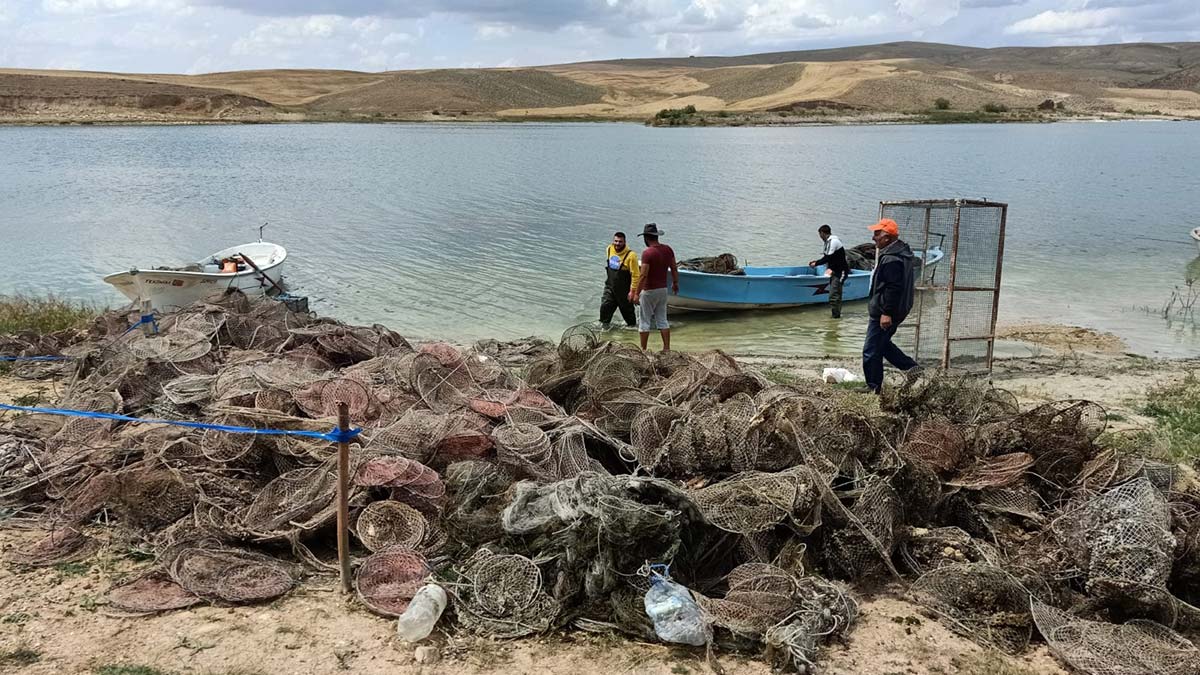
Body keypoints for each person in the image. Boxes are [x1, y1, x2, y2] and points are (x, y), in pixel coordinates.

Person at [862, 218, 919, 393]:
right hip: (896, 308)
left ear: (887, 237)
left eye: (877, 234)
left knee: (870, 351)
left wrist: (886, 313)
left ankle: (874, 388)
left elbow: (893, 287)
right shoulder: (902, 252)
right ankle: (912, 369)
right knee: (882, 344)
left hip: (886, 311)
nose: (873, 238)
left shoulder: (892, 258)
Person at [630, 223, 678, 351]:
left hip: (649, 291)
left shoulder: (647, 253)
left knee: (644, 322)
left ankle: (643, 350)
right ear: (656, 236)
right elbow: (674, 267)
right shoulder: (668, 249)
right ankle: (666, 348)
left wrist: (636, 294)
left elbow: (643, 275)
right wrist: (675, 283)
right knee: (662, 320)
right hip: (663, 290)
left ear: (646, 237)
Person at [808, 224, 850, 318]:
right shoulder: (828, 242)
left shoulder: (833, 241)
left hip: (841, 272)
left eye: (820, 235)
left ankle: (835, 318)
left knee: (834, 295)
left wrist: (816, 263)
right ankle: (836, 316)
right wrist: (819, 263)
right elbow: (830, 258)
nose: (820, 237)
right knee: (834, 294)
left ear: (823, 233)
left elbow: (828, 257)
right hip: (835, 271)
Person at [600, 231, 640, 328]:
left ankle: (632, 333)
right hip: (610, 288)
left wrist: (633, 292)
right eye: (616, 241)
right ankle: (603, 331)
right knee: (605, 308)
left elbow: (635, 275)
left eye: (620, 242)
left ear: (625, 242)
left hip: (625, 291)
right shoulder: (609, 249)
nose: (617, 244)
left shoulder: (631, 256)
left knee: (629, 318)